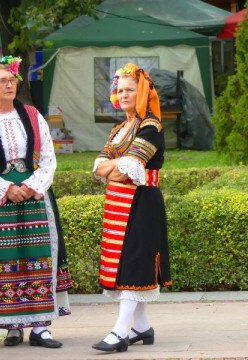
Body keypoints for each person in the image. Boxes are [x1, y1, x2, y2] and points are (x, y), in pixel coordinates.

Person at [0, 56, 73, 349]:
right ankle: (10, 324)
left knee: (38, 254)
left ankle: (41, 327)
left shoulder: (33, 115)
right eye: (2, 81)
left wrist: (30, 185)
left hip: (33, 195)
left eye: (12, 80)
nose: (9, 84)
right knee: (3, 260)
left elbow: (49, 157)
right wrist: (4, 188)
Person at [91, 63, 172, 353]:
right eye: (120, 90)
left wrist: (112, 166)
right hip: (119, 203)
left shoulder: (151, 126)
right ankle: (142, 327)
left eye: (130, 90)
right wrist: (113, 166)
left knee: (134, 264)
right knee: (126, 261)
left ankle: (120, 331)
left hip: (142, 202)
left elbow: (129, 168)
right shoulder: (119, 128)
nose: (123, 94)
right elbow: (100, 166)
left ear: (142, 93)